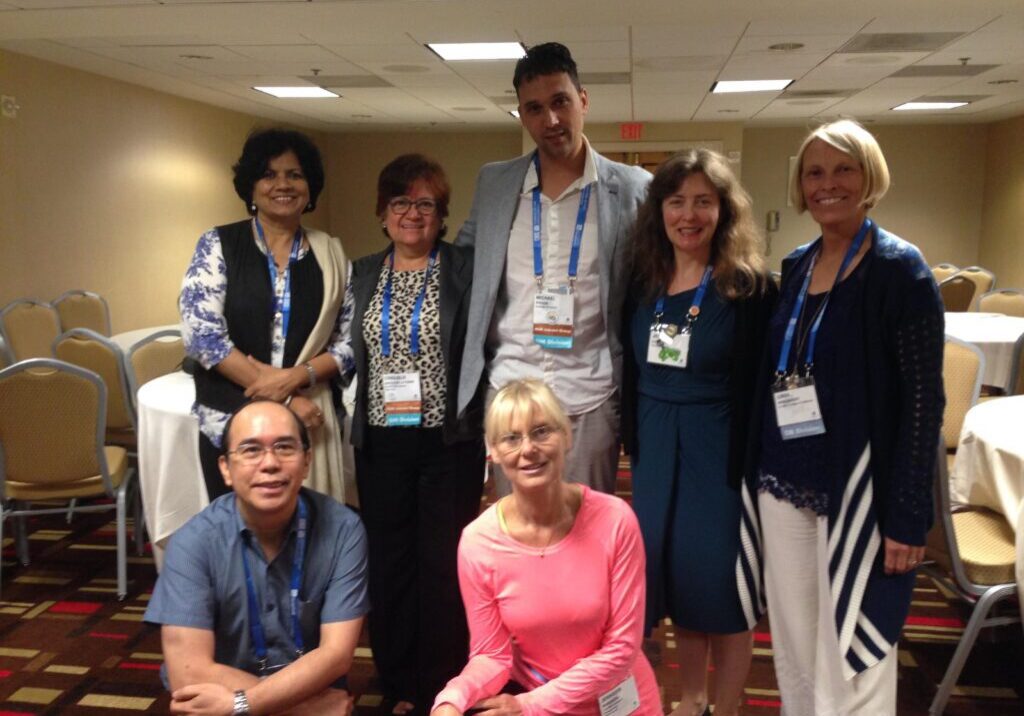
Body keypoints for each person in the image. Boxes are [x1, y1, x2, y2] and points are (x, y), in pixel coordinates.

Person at [750, 120, 944, 714]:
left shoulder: (899, 271)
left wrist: (909, 518)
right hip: (785, 478)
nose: (827, 184)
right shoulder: (798, 263)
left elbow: (922, 402)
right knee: (794, 643)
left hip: (858, 486)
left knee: (851, 650)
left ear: (869, 177)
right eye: (814, 172)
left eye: (843, 169)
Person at [455, 42, 650, 496]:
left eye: (561, 102)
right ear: (522, 115)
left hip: (591, 394)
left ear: (582, 100)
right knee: (520, 533)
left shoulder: (634, 188)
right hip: (511, 390)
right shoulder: (495, 183)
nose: (551, 120)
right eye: (535, 108)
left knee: (588, 531)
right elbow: (459, 265)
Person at [623, 149, 777, 716]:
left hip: (720, 454)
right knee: (677, 579)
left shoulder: (749, 287)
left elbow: (762, 385)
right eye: (677, 201)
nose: (689, 215)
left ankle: (728, 704)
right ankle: (690, 702)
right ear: (659, 210)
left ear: (723, 210)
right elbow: (631, 368)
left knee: (723, 587)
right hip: (655, 451)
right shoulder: (643, 281)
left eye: (703, 202)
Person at [431, 379, 661, 716]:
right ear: (492, 451)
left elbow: (622, 649)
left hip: (621, 703)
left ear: (567, 436)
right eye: (511, 438)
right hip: (544, 706)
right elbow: (491, 655)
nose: (528, 449)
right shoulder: (478, 542)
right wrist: (452, 699)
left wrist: (529, 705)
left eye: (541, 431)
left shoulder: (616, 521)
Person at [349, 154, 485, 715]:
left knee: (443, 560)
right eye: (400, 202)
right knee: (389, 559)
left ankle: (443, 678)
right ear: (382, 213)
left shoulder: (464, 269)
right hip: (380, 442)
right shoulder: (360, 273)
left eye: (425, 203)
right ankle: (398, 674)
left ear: (441, 214)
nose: (412, 213)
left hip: (446, 441)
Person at [144, 400, 369, 716]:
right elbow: (189, 673)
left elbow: (336, 655)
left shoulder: (343, 530)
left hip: (241, 699)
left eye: (284, 448)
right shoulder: (191, 543)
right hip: (229, 704)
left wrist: (243, 704)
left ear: (306, 462)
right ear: (225, 468)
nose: (270, 463)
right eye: (251, 450)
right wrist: (301, 710)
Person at [180, 128, 353, 503]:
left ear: (310, 186)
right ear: (251, 186)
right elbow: (202, 335)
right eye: (269, 174)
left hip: (308, 428)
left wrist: (296, 377)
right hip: (230, 423)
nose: (283, 184)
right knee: (237, 538)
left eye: (295, 174)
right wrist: (284, 399)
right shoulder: (218, 245)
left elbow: (351, 342)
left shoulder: (331, 255)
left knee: (309, 539)